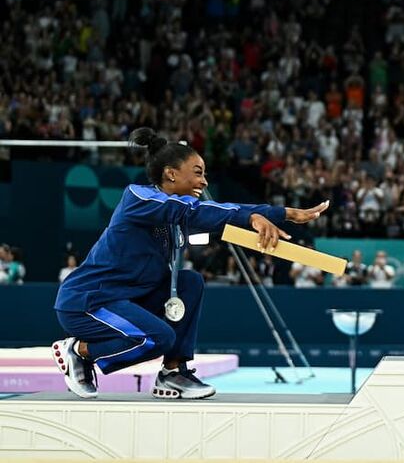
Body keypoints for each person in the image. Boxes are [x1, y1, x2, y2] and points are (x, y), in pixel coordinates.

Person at [52, 128, 329, 400]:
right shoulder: (137, 197)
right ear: (171, 173)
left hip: (129, 300)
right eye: (198, 173)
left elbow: (211, 222)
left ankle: (173, 372)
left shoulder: (177, 218)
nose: (205, 181)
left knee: (190, 281)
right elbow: (195, 212)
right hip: (88, 301)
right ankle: (79, 351)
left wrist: (273, 219)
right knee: (158, 337)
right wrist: (263, 215)